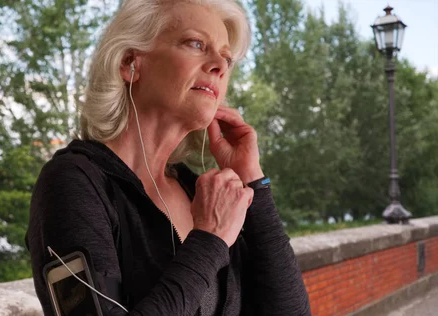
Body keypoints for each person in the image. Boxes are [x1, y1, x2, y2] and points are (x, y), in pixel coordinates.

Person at [26, 0, 311, 315]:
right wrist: (210, 239)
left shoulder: (195, 189)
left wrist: (252, 180)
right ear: (130, 62)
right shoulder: (73, 183)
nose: (219, 64)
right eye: (195, 43)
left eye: (227, 58)